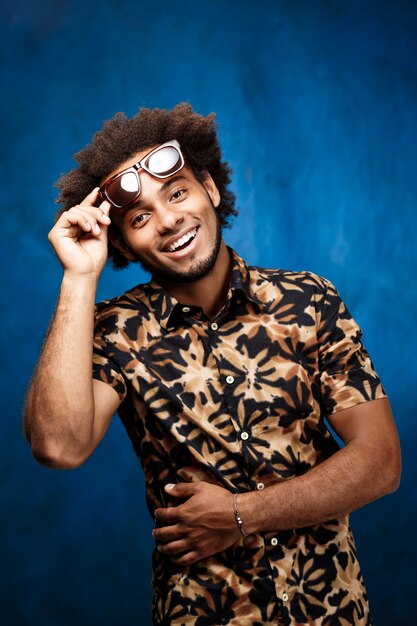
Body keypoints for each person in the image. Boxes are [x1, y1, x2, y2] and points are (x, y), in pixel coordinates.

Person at [24, 103, 401, 626]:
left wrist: (242, 514)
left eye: (177, 192)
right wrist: (78, 278)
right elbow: (59, 446)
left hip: (332, 610)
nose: (169, 220)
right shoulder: (115, 331)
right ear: (122, 243)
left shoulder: (309, 300)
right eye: (139, 218)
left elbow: (381, 461)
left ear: (210, 189)